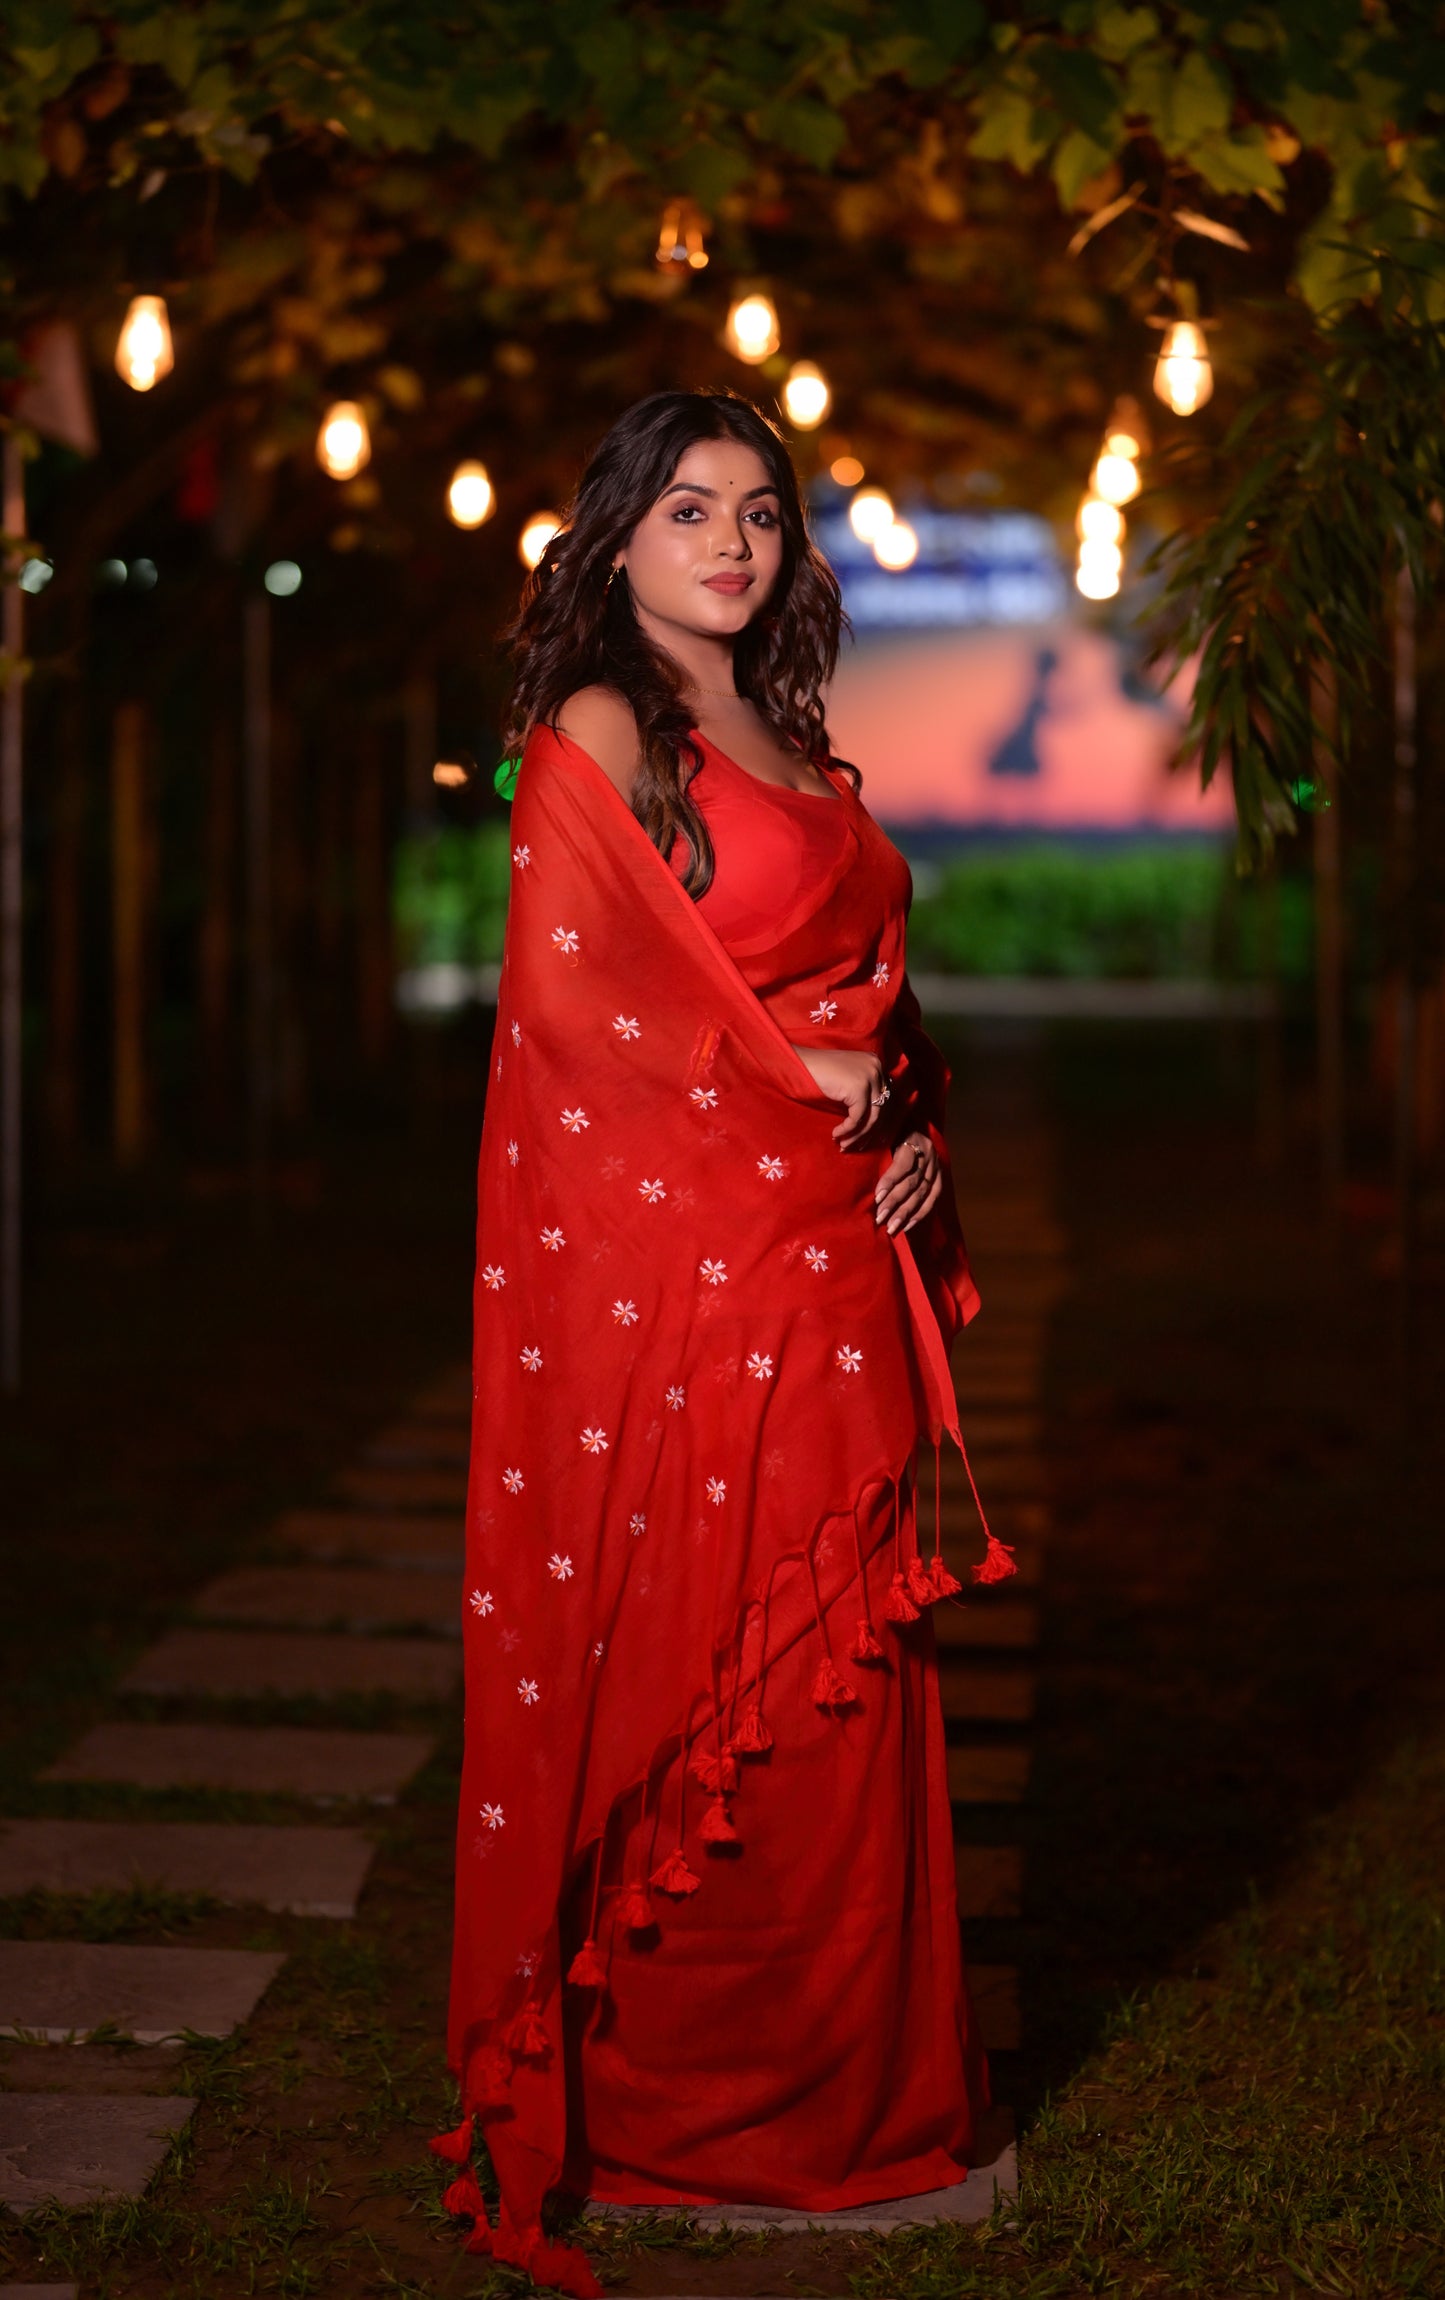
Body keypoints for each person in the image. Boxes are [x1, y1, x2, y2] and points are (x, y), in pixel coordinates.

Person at [432, 389, 1010, 2296]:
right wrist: (800, 1066)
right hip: (685, 1281)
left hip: (835, 1262)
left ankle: (851, 2102)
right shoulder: (604, 730)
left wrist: (898, 1116)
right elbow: (579, 1021)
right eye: (687, 510)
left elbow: (860, 1001)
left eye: (757, 512)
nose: (730, 543)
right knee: (708, 1649)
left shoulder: (787, 732)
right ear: (612, 537)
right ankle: (684, 2110)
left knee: (842, 1690)